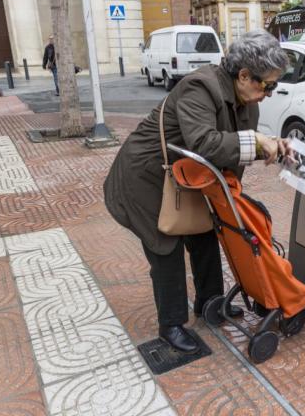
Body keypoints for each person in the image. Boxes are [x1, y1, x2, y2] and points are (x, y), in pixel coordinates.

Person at [104, 30, 289, 354]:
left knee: (204, 232)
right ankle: (171, 325)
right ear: (244, 75)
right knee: (166, 245)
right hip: (147, 176)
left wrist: (271, 148)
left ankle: (209, 302)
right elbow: (205, 142)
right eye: (267, 85)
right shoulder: (200, 87)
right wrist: (256, 142)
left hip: (185, 177)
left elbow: (234, 151)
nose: (269, 93)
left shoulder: (248, 102)